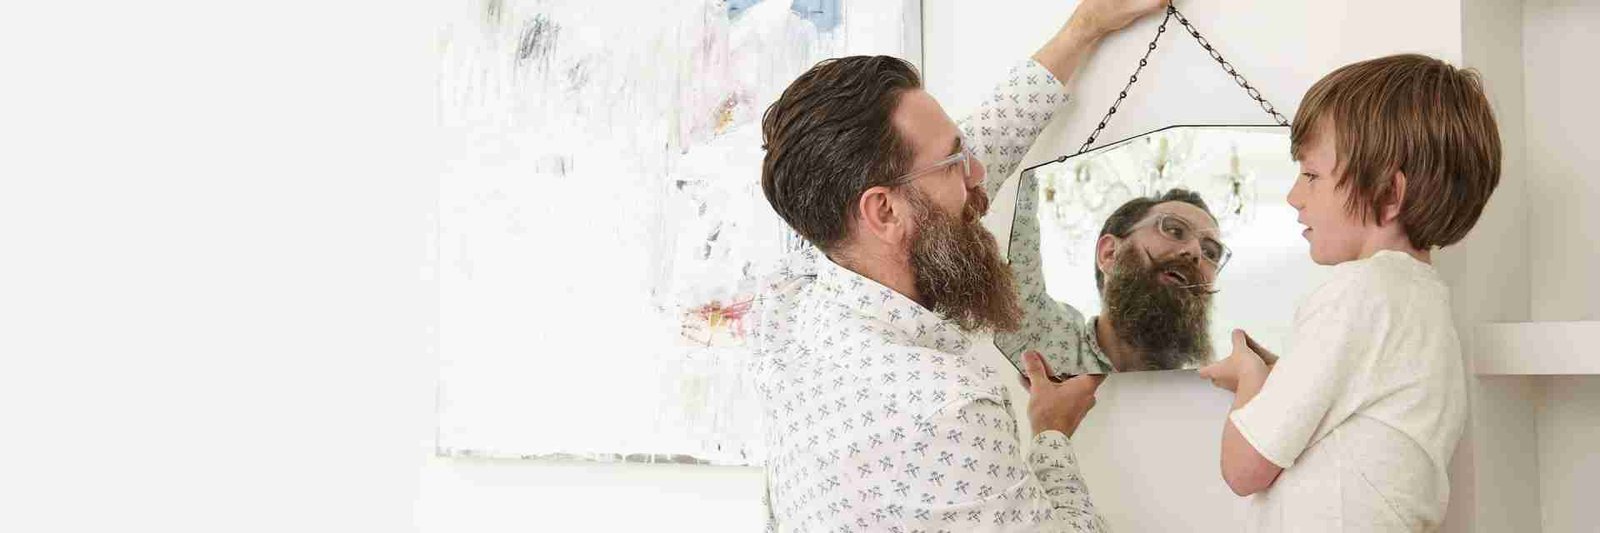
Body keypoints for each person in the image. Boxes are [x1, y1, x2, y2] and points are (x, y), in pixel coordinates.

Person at [750, 0, 1166, 530]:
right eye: (955, 161)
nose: (976, 172)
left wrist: (1082, 29)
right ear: (883, 210)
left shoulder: (791, 300)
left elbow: (962, 161)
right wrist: (1052, 435)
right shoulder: (946, 411)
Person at [1197, 53, 1502, 531]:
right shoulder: (1421, 303)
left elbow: (1244, 468)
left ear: (1387, 196)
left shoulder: (1359, 292)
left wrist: (1249, 376)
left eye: (1312, 175)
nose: (1295, 196)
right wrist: (1280, 374)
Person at [1000, 185, 1228, 374]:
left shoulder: (1210, 395)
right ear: (1109, 253)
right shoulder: (1041, 334)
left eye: (1210, 252)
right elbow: (1011, 199)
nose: (1196, 252)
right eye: (1174, 230)